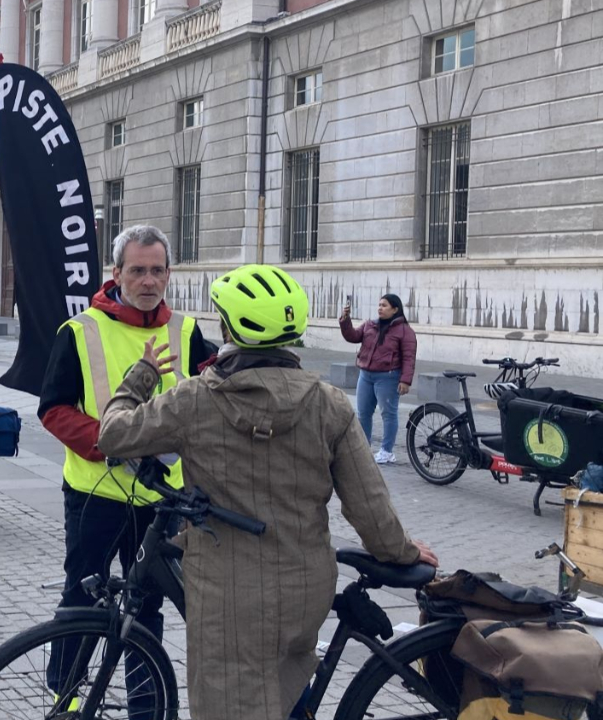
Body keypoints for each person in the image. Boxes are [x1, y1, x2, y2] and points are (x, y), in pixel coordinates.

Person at [97, 264, 438, 720]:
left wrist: (140, 375)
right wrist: (402, 551)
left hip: (226, 591)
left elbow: (113, 435)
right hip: (305, 586)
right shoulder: (328, 403)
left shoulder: (195, 400)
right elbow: (369, 506)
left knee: (230, 700)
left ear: (227, 327)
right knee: (285, 681)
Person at [37, 225, 214, 698]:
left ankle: (145, 707)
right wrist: (114, 442)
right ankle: (66, 697)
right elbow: (53, 410)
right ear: (116, 273)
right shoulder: (80, 330)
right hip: (97, 494)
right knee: (81, 600)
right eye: (137, 271)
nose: (148, 281)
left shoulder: (189, 333)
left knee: (147, 608)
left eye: (157, 271)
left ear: (169, 274)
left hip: (162, 501)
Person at [340, 293, 417, 464]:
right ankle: (363, 448)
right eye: (379, 304)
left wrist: (405, 380)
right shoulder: (370, 325)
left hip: (388, 377)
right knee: (363, 413)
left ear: (395, 309)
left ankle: (387, 451)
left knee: (388, 414)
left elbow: (409, 358)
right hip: (366, 375)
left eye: (384, 305)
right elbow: (352, 336)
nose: (380, 308)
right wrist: (345, 321)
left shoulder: (405, 331)